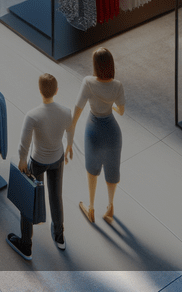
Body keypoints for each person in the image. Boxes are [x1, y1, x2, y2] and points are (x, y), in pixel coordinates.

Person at [7, 73, 74, 260]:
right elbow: (70, 129)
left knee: (29, 201)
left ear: (39, 91)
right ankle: (59, 236)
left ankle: (26, 245)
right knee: (56, 197)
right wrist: (68, 146)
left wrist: (22, 160)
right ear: (57, 91)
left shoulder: (33, 116)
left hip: (37, 162)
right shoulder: (66, 111)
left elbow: (24, 143)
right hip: (57, 159)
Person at [69, 47, 125, 226]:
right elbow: (121, 111)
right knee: (112, 169)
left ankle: (91, 207)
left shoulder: (88, 82)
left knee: (92, 170)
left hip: (93, 130)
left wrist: (70, 133)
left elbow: (78, 108)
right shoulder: (117, 85)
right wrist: (112, 107)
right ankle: (110, 207)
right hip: (113, 133)